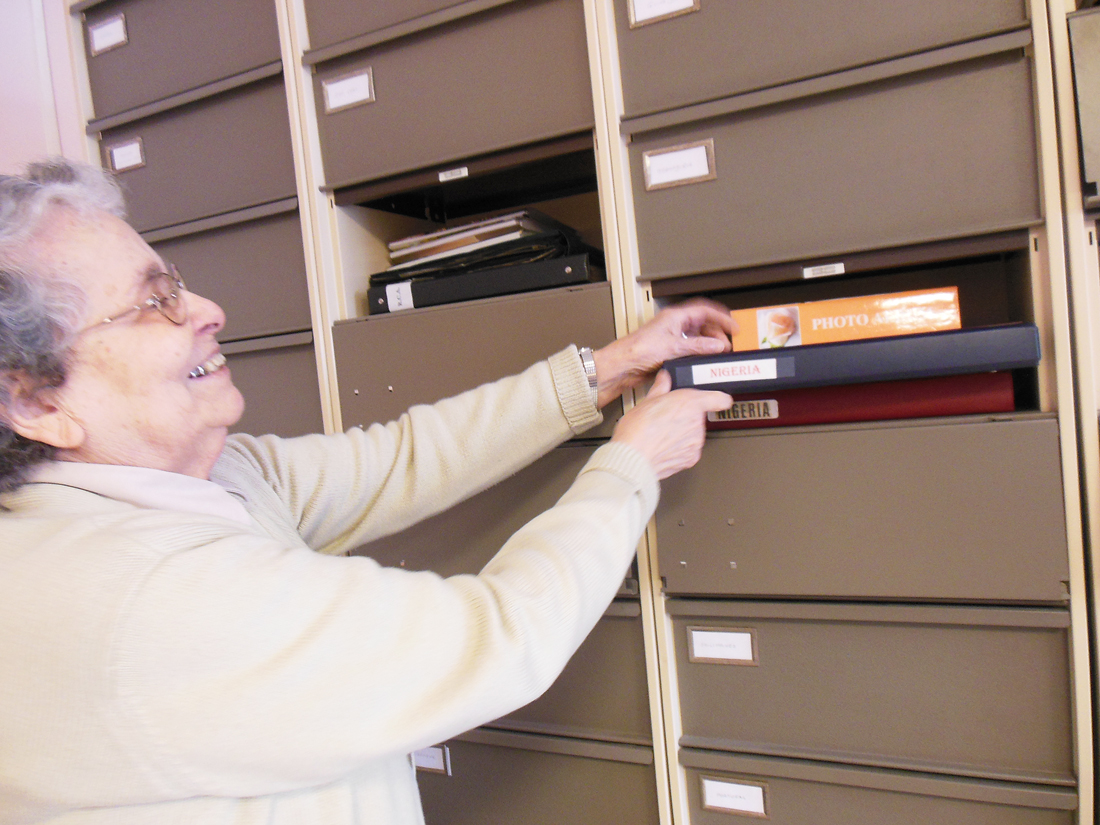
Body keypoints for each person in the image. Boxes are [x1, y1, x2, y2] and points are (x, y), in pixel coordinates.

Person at [0, 158, 734, 824]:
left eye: (176, 283)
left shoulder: (195, 480)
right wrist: (632, 465)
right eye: (154, 302)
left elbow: (403, 459)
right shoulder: (145, 599)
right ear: (35, 401)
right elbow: (502, 636)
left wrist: (607, 369)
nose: (208, 309)